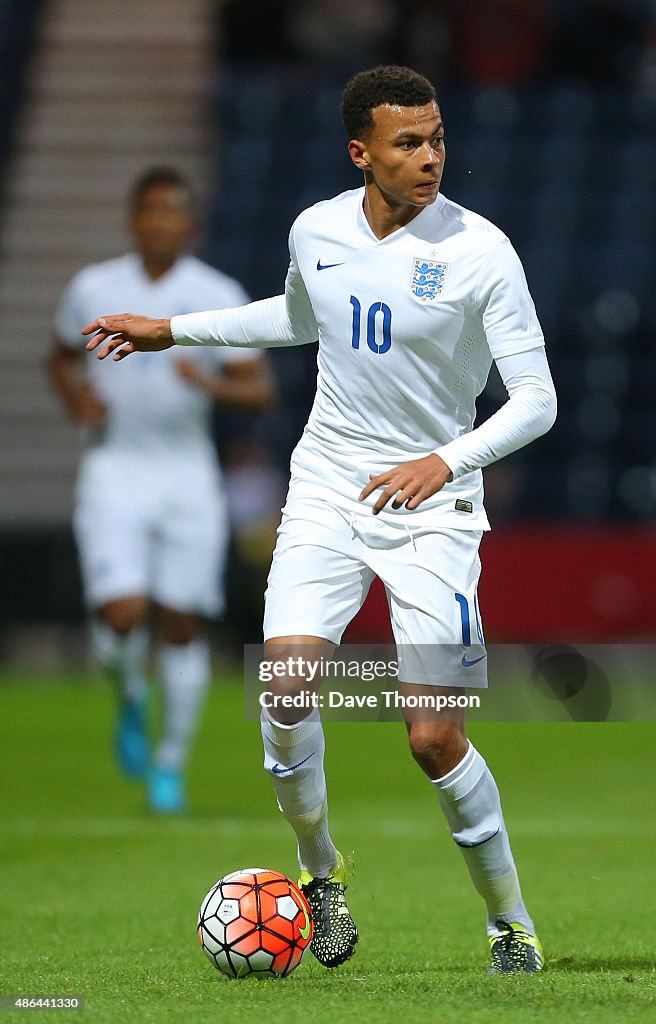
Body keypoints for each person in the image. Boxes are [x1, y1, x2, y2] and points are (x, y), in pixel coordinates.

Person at [83, 67, 557, 972]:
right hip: (329, 489)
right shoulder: (317, 228)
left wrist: (444, 459)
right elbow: (299, 317)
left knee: (433, 736)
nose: (430, 158)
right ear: (361, 152)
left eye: (438, 138)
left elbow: (537, 401)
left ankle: (509, 925)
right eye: (408, 143)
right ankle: (321, 876)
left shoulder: (483, 251)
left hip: (436, 509)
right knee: (288, 687)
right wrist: (172, 330)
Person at [48, 167, 275, 813]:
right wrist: (75, 397)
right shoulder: (93, 286)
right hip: (113, 468)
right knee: (121, 615)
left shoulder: (215, 292)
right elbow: (60, 356)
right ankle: (127, 695)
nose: (160, 222)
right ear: (132, 220)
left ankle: (169, 762)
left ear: (190, 224)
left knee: (179, 623)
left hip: (187, 474)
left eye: (173, 211)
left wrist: (208, 386)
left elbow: (259, 390)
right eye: (150, 211)